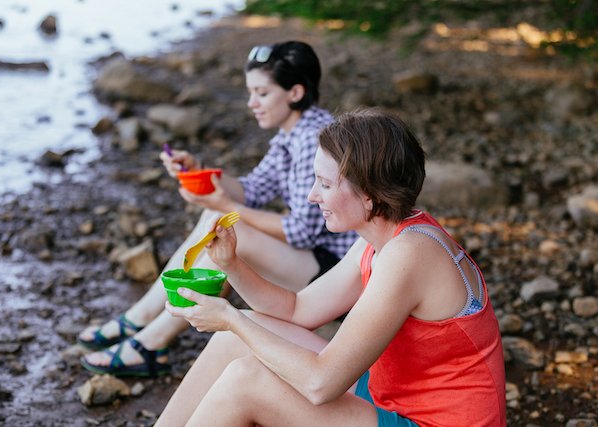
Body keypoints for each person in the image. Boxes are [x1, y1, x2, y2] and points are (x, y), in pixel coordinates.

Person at [156, 109, 506, 426]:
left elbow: (320, 383)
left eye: (324, 184)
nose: (312, 196)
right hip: (395, 396)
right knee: (231, 342)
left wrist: (231, 316)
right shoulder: (383, 236)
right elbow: (298, 309)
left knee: (245, 381)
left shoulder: (409, 254)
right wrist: (230, 264)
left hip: (431, 422)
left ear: (369, 194)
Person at [77, 41, 358, 377]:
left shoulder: (312, 137)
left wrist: (224, 204)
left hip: (336, 273)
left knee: (227, 226)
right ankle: (141, 321)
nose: (251, 103)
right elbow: (252, 189)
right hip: (314, 259)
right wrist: (198, 171)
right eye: (250, 92)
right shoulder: (292, 133)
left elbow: (300, 230)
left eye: (262, 93)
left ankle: (150, 340)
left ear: (295, 92)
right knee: (216, 220)